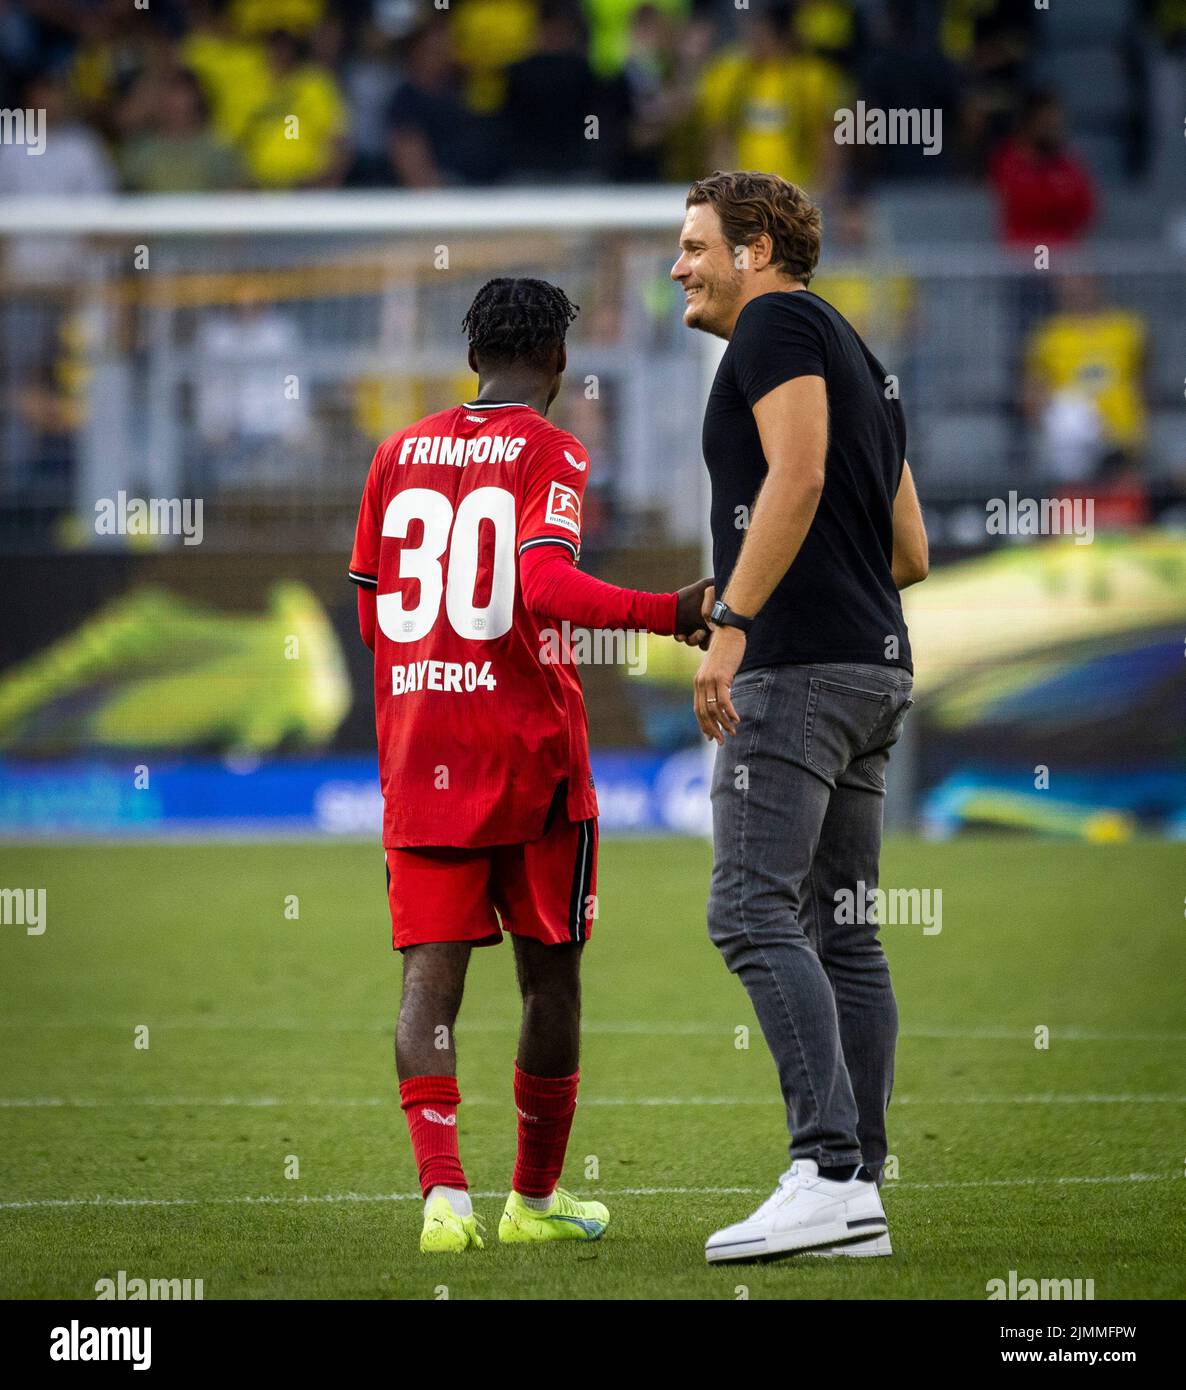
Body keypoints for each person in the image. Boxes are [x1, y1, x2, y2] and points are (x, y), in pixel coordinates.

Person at [349, 277, 711, 1254]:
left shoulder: (394, 454)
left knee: (429, 980)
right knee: (549, 981)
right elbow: (541, 581)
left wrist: (423, 693)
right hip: (527, 758)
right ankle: (532, 1202)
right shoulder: (550, 449)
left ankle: (442, 1201)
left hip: (420, 748)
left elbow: (373, 605)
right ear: (557, 359)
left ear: (472, 357)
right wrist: (666, 614)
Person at [670, 169, 928, 1263]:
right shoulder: (860, 354)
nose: (678, 265)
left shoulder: (773, 325)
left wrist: (735, 622)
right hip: (872, 671)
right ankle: (856, 1188)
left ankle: (823, 1171)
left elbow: (800, 471)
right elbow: (909, 550)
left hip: (799, 675)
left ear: (758, 247)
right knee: (847, 934)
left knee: (746, 909)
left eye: (694, 244)